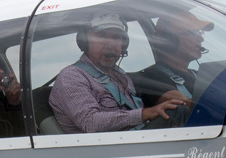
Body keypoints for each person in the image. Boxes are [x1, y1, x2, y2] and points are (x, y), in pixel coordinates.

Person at [48, 13, 189, 133]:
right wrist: (147, 113)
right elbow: (90, 122)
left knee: (178, 110)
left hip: (133, 144)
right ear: (85, 41)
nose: (110, 44)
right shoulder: (72, 77)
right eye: (101, 36)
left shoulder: (120, 77)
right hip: (104, 154)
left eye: (116, 37)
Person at [131, 9, 213, 128]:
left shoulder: (198, 75)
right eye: (193, 32)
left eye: (200, 32)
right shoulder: (151, 77)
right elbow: (183, 106)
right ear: (169, 40)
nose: (200, 38)